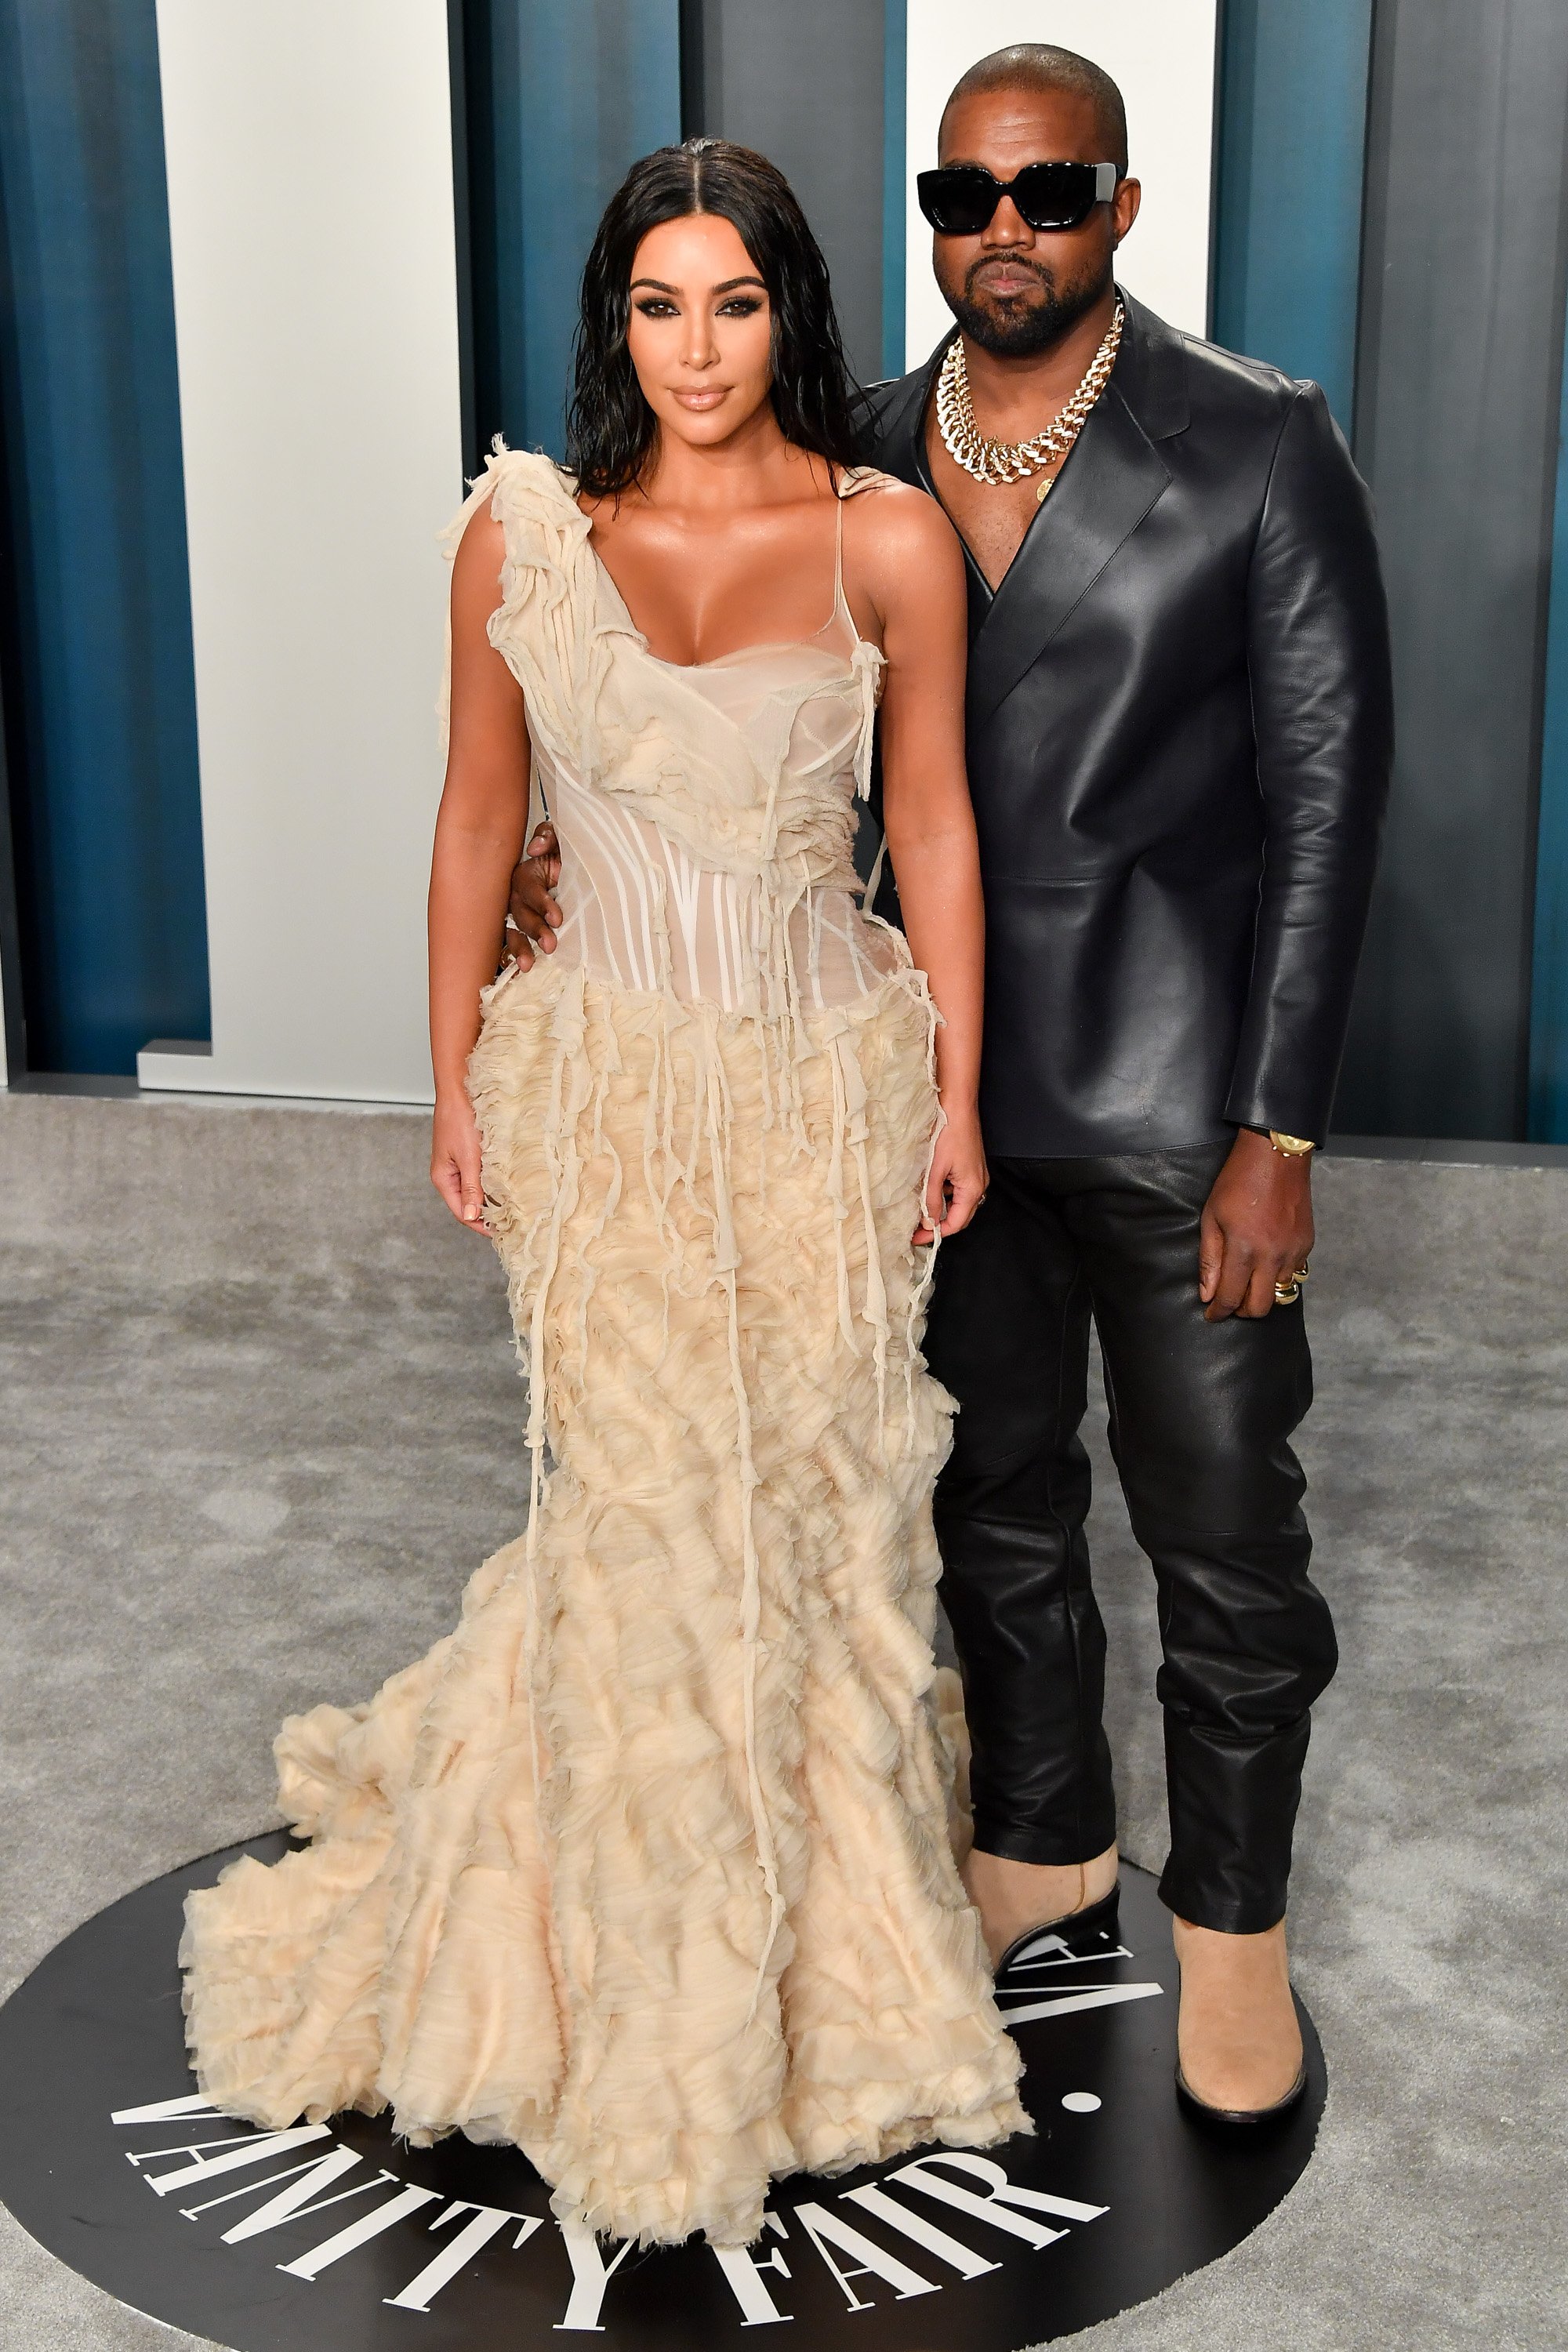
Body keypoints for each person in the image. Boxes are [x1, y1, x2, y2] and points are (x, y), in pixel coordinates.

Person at [508, 44, 1396, 2130]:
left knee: (1223, 1533)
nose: (1004, 229)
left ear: (1124, 208)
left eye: (1052, 189)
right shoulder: (864, 442)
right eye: (963, 192)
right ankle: (1044, 1845)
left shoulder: (1257, 444)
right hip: (928, 1086)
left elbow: (1333, 801)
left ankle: (1237, 1930)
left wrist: (1283, 1131)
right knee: (987, 1497)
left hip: (1183, 1106)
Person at [179, 138, 1026, 2252]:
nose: (700, 347)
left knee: (817, 1515)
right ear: (613, 324)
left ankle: (824, 1972)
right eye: (660, 305)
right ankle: (639, 2011)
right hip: (607, 1103)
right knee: (643, 1522)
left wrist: (962, 1097)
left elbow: (934, 830)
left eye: (735, 303)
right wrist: (452, 1075)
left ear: (792, 316)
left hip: (830, 1084)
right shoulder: (521, 539)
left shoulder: (891, 539)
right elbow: (477, 818)